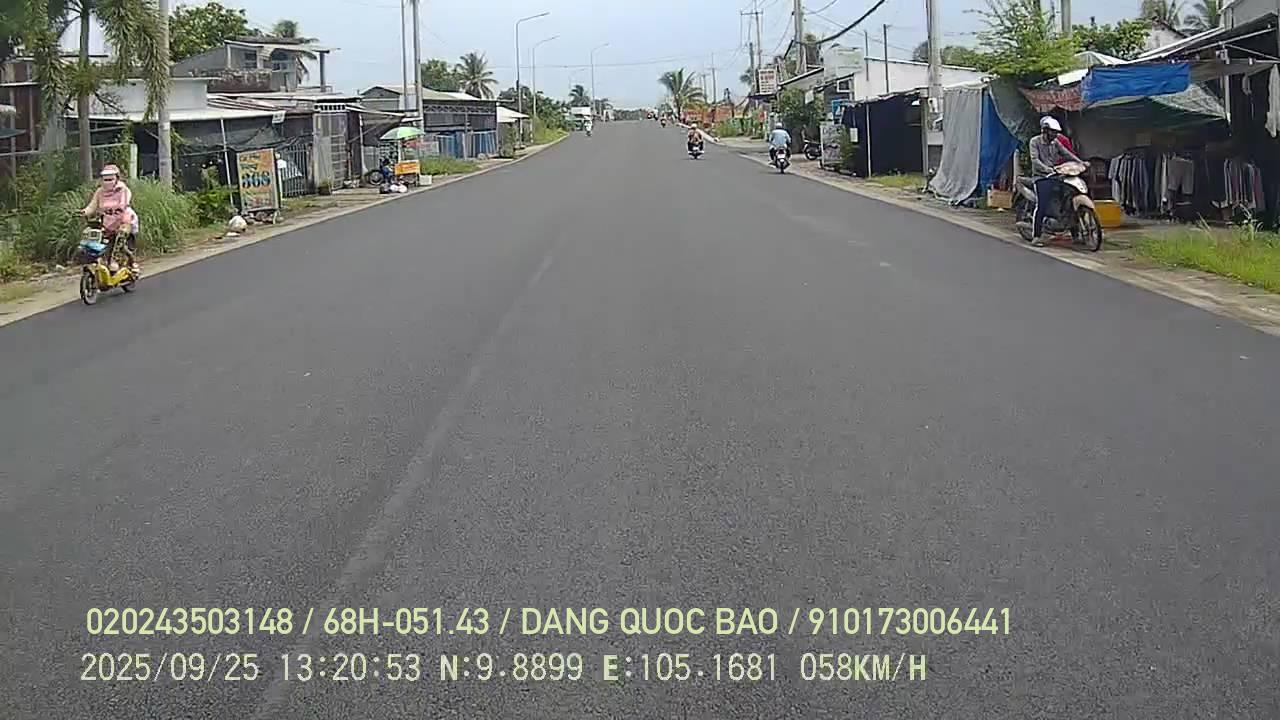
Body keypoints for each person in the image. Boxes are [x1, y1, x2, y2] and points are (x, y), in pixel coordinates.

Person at [1028, 116, 1082, 247]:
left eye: (1056, 132)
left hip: (1056, 175)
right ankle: (1036, 236)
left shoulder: (1055, 142)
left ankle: (1075, 234)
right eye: (1052, 132)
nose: (1055, 135)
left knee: (1069, 198)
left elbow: (1066, 153)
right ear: (1045, 131)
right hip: (1041, 177)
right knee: (1041, 205)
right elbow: (1035, 160)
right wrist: (1047, 169)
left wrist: (1080, 162)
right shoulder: (1034, 142)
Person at [81, 164, 139, 272]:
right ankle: (94, 260)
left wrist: (118, 208)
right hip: (107, 222)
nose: (107, 182)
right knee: (92, 234)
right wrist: (84, 212)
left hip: (124, 220)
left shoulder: (123, 190)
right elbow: (92, 206)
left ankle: (115, 261)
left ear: (117, 178)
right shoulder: (100, 192)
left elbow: (124, 202)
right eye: (105, 180)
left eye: (110, 179)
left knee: (121, 235)